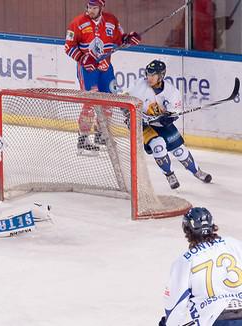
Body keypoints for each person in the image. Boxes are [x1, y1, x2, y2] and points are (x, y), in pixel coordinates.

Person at [64, 0, 141, 154]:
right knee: (90, 103)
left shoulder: (111, 21)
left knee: (109, 101)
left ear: (101, 7)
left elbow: (120, 40)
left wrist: (128, 39)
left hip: (106, 68)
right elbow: (68, 47)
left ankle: (101, 135)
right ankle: (83, 139)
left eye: (94, 7)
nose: (90, 10)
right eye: (88, 7)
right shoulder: (77, 23)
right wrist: (83, 58)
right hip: (88, 70)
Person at [125, 60, 211, 189]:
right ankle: (170, 175)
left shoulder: (171, 92)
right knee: (157, 145)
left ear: (161, 76)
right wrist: (129, 116)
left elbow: (174, 113)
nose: (149, 78)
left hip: (161, 124)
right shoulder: (139, 85)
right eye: (148, 74)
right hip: (142, 124)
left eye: (153, 75)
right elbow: (125, 100)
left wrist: (168, 118)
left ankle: (196, 171)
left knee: (179, 150)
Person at [159, 207, 242, 326]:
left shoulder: (185, 261)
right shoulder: (235, 244)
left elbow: (176, 306)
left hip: (216, 319)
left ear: (187, 231)